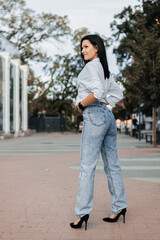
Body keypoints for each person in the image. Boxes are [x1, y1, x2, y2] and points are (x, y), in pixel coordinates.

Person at [70, 34, 127, 231]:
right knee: (113, 165)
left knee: (87, 167)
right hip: (108, 118)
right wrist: (105, 103)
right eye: (81, 48)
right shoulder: (105, 70)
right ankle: (119, 207)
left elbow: (97, 92)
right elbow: (117, 94)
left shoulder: (91, 67)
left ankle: (82, 213)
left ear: (96, 47)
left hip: (94, 117)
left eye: (86, 46)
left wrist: (81, 104)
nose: (83, 50)